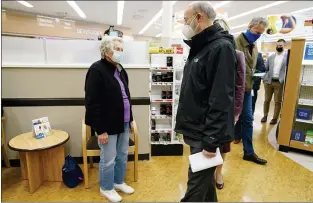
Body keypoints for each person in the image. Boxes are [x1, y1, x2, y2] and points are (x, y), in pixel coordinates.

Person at [175, 2, 237, 202]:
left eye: (186, 19)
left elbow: (220, 99)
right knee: (205, 184)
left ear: (199, 17)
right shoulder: (201, 46)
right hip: (197, 129)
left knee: (194, 189)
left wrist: (211, 141)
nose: (185, 24)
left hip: (205, 134)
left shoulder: (220, 48)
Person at [84, 36, 134, 202]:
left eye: (121, 49)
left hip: (124, 121)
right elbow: (92, 102)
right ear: (106, 52)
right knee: (109, 158)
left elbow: (126, 96)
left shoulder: (120, 69)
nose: (120, 52)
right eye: (117, 49)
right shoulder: (96, 70)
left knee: (122, 154)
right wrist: (100, 129)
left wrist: (131, 119)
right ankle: (106, 187)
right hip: (107, 124)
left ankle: (118, 181)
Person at [212, 18, 246, 190]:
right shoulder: (207, 53)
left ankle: (219, 172)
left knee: (223, 144)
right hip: (207, 108)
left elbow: (240, 86)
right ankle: (207, 172)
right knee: (207, 143)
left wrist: (236, 112)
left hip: (228, 109)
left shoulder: (237, 55)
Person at [234, 17, 268, 165]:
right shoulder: (234, 42)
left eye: (261, 33)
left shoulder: (254, 46)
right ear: (249, 26)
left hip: (247, 90)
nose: (258, 35)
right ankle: (216, 151)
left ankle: (248, 152)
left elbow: (251, 67)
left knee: (248, 119)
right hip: (233, 90)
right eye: (256, 31)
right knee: (228, 119)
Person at [261, 39, 287, 125]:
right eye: (278, 45)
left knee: (277, 101)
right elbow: (266, 68)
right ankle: (265, 115)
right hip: (268, 81)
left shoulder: (286, 57)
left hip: (279, 82)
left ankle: (275, 118)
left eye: (281, 45)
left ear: (284, 46)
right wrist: (264, 78)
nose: (279, 46)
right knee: (266, 100)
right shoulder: (271, 57)